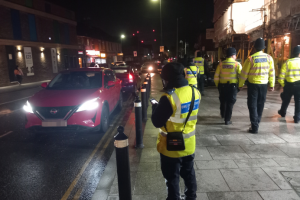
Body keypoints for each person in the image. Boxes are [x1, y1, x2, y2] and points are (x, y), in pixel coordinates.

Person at [151, 62, 200, 200]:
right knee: (189, 173)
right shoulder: (195, 92)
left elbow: (157, 122)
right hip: (189, 144)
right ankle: (191, 197)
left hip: (170, 147)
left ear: (167, 79)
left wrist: (155, 107)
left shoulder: (169, 97)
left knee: (172, 177)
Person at [239, 38, 275, 134]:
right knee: (260, 104)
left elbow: (244, 73)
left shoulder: (251, 58)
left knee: (252, 105)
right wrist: (272, 84)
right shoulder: (269, 58)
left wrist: (240, 84)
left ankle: (254, 126)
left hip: (253, 85)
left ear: (254, 47)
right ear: (263, 47)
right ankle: (256, 122)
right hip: (264, 85)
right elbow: (272, 72)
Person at [214, 47, 242, 125]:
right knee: (230, 102)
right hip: (232, 86)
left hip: (222, 86)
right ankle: (227, 119)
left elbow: (216, 77)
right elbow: (241, 76)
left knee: (223, 100)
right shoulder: (237, 64)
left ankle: (223, 114)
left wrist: (218, 86)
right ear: (233, 55)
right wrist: (240, 85)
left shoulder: (221, 64)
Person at [278, 45, 300, 123]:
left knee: (286, 100)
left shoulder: (287, 63)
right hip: (299, 86)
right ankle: (297, 117)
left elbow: (280, 78)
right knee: (298, 101)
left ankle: (283, 112)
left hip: (289, 85)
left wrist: (285, 86)